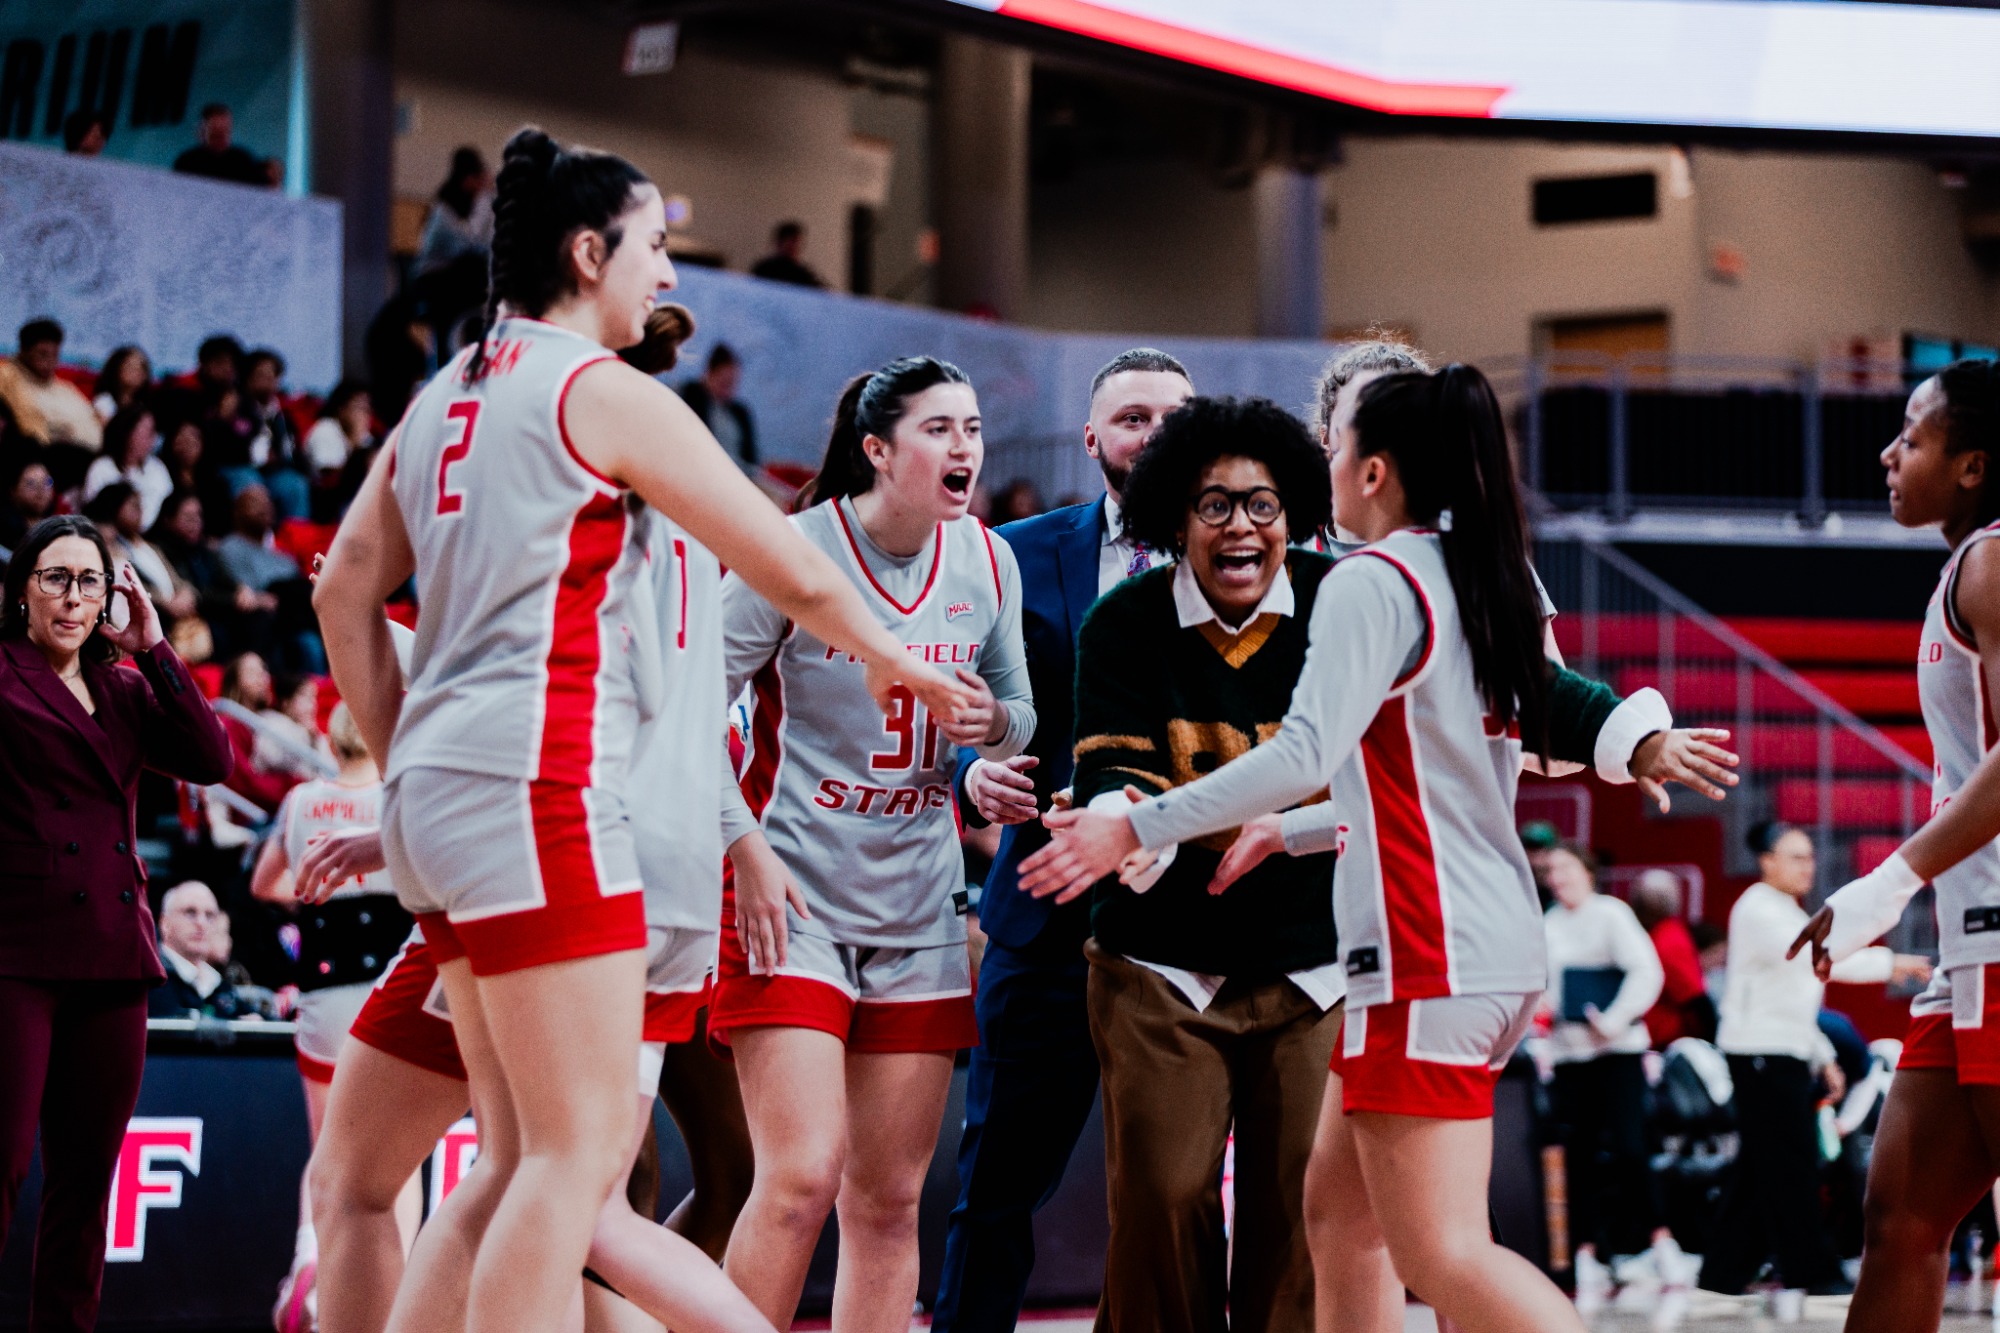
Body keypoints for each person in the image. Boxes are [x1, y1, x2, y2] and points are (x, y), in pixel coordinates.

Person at [311, 125, 970, 1333]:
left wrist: (407, 756)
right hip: (542, 791)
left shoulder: (442, 394)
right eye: (656, 247)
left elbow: (341, 592)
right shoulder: (595, 390)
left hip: (437, 800)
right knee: (568, 1167)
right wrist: (905, 670)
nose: (667, 274)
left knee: (519, 1160)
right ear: (585, 252)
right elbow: (794, 569)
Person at [1019, 365, 1739, 1333]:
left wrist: (1134, 823)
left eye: (1337, 439)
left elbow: (1305, 753)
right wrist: (1633, 738)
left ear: (1368, 469)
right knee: (1335, 1218)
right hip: (1475, 941)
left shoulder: (1371, 580)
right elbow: (1523, 717)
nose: (1326, 453)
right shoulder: (1469, 569)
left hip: (1419, 944)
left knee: (1440, 1253)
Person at [708, 354, 1031, 1330]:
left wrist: (986, 746)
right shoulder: (788, 550)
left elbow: (1015, 714)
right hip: (792, 896)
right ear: (877, 449)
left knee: (888, 1204)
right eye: (939, 428)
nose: (964, 447)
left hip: (918, 908)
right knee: (799, 1179)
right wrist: (744, 851)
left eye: (972, 428)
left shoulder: (985, 557)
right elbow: (684, 718)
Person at [933, 347, 1195, 1332]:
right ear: (1090, 440)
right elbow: (951, 709)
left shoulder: (1255, 557)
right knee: (994, 1189)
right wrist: (969, 776)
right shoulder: (1007, 551)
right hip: (1042, 919)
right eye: (1131, 417)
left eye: (1172, 415)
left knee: (1167, 1203)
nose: (1153, 434)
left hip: (1194, 923)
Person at [1784, 360, 2000, 1333]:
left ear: (1969, 465)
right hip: (1966, 947)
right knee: (1898, 1215)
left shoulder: (1995, 561)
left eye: (1910, 436)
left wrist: (1884, 883)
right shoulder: (1965, 565)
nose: (1886, 452)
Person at [0, 514, 230, 1330]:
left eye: (90, 580)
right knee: (2, 1168)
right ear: (20, 589)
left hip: (111, 957)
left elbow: (212, 760)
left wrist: (156, 649)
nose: (73, 596)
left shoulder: (128, 685)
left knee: (85, 1184)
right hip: (16, 953)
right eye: (54, 577)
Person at [1706, 822, 1928, 1310]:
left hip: (1779, 1051)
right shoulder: (1759, 908)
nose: (1807, 866)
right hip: (1759, 1054)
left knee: (1760, 1168)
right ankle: (1813, 1271)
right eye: (1795, 857)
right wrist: (1893, 963)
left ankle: (1720, 1274)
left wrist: (1820, 1053)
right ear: (1766, 860)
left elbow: (1791, 998)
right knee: (1790, 1165)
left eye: (1809, 857)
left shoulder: (1784, 909)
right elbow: (1820, 959)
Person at [250, 701, 414, 1332]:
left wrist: (320, 888)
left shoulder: (300, 801)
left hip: (321, 996)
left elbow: (265, 885)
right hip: (386, 990)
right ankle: (392, 1301)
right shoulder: (395, 799)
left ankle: (309, 1266)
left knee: (328, 1150)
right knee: (392, 1163)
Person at [1537, 842, 1674, 1315]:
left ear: (1587, 871)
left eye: (1566, 868)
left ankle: (1660, 1243)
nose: (1558, 878)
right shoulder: (1547, 925)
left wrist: (1613, 1019)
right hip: (1569, 1056)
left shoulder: (1612, 914)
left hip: (1617, 1051)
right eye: (1552, 870)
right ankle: (1586, 1253)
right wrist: (1546, 1010)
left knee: (1632, 1148)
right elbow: (1542, 989)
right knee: (1578, 1156)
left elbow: (1647, 973)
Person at [0, 319, 103, 464]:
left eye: (55, 355)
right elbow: (31, 431)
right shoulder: (8, 376)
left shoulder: (65, 388)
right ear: (24, 350)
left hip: (96, 459)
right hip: (47, 459)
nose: (49, 362)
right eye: (42, 354)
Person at [1631, 869, 1714, 1047]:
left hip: (1669, 1039)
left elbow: (1694, 999)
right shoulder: (1665, 936)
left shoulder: (1667, 938)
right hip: (1660, 1037)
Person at [147, 879, 244, 1018]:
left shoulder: (219, 987)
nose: (201, 923)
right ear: (165, 924)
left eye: (209, 915)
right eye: (190, 913)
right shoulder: (148, 984)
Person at [83, 404, 174, 529]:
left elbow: (168, 508)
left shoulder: (157, 468)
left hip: (152, 537)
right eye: (149, 432)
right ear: (128, 432)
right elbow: (93, 512)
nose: (153, 439)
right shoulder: (102, 467)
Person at [416, 146, 495, 275]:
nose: (480, 187)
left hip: (450, 269)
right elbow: (467, 245)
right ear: (468, 179)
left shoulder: (461, 207)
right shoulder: (444, 210)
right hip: (432, 274)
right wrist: (484, 199)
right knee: (476, 263)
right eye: (479, 180)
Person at [677, 345, 756, 470]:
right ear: (709, 374)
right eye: (724, 383)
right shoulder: (691, 396)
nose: (728, 390)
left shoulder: (740, 412)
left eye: (733, 384)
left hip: (739, 473)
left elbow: (751, 458)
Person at [172, 103, 278, 186]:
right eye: (216, 134)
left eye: (226, 132)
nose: (222, 139)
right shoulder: (188, 161)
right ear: (202, 132)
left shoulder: (242, 160)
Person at [305, 382, 375, 476]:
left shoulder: (364, 435)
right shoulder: (325, 429)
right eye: (360, 408)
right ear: (341, 409)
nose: (364, 415)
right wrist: (355, 444)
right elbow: (329, 476)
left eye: (367, 409)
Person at [1, 459, 56, 552]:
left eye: (47, 482)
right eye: (31, 483)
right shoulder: (4, 530)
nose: (41, 490)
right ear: (13, 491)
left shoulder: (55, 527)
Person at [748, 221, 823, 288]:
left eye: (798, 243)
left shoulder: (803, 273)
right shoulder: (763, 269)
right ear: (780, 243)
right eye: (792, 242)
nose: (796, 247)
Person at [92, 346, 152, 424]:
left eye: (142, 368)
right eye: (131, 367)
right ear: (117, 369)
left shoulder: (146, 410)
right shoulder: (104, 402)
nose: (138, 373)